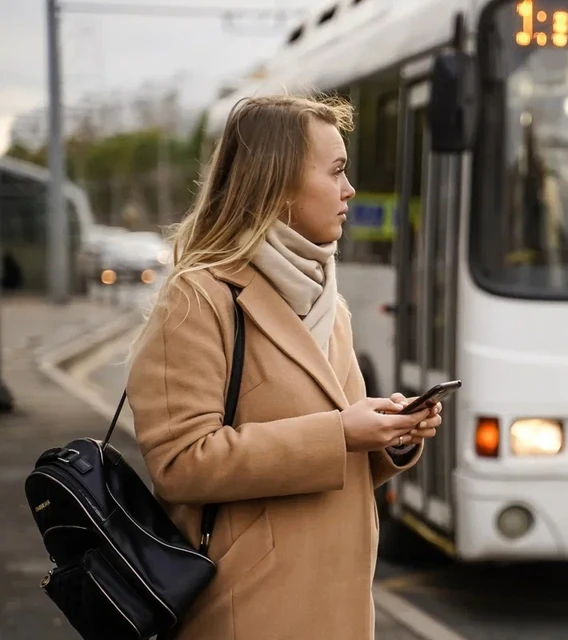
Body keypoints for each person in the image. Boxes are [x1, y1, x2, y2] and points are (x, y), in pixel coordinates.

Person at [125, 94, 441, 640]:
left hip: (337, 605)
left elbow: (339, 450)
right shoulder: (199, 298)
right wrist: (341, 432)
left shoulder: (330, 304)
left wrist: (390, 438)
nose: (351, 190)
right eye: (336, 171)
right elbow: (180, 464)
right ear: (276, 184)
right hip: (247, 607)